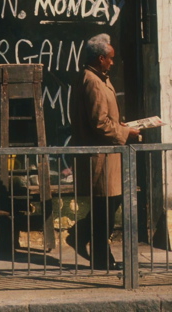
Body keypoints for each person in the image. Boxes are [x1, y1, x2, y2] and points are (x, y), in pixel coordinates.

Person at [67, 33, 141, 270]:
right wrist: (125, 132)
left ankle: (83, 237)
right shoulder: (93, 82)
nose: (112, 62)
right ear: (100, 58)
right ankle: (100, 257)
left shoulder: (96, 78)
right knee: (105, 208)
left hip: (107, 155)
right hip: (101, 156)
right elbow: (99, 123)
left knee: (109, 205)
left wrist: (121, 126)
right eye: (110, 58)